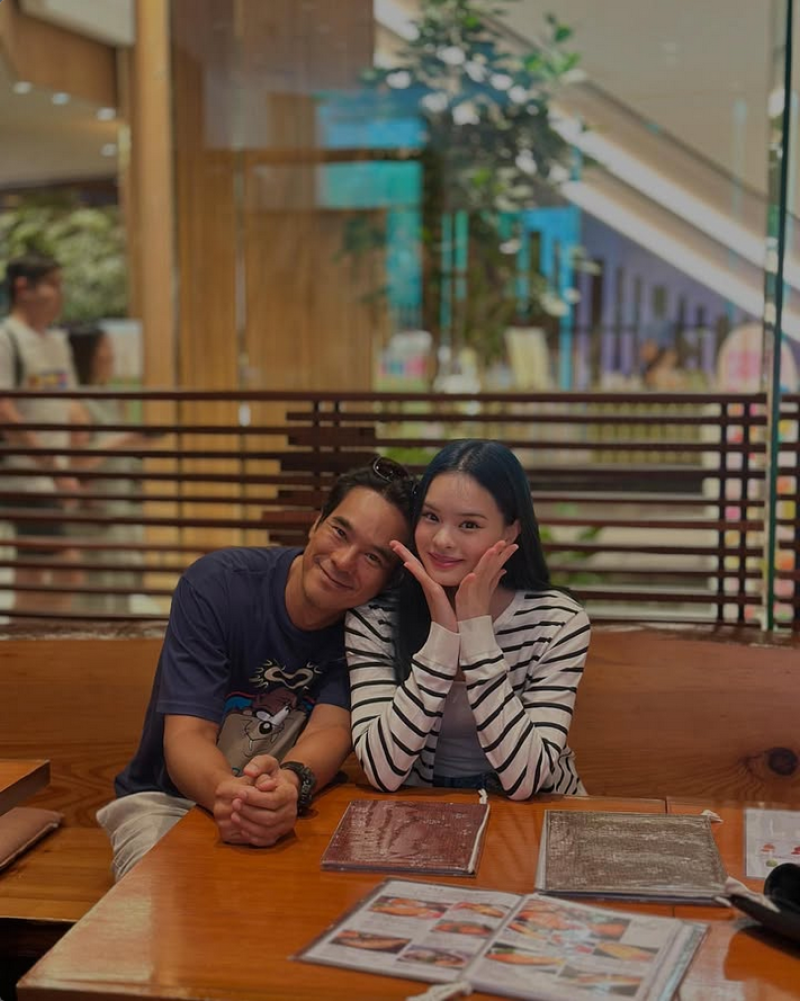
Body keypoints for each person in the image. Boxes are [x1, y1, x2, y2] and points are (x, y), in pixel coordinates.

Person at [97, 458, 416, 880]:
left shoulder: (369, 626)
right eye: (340, 532)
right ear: (316, 523)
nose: (343, 561)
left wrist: (289, 786)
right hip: (170, 800)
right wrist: (231, 796)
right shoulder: (219, 586)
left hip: (289, 805)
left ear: (388, 580)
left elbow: (330, 730)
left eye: (372, 557)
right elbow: (187, 736)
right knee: (166, 897)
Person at [346, 439, 590, 799]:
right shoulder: (376, 617)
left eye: (469, 525)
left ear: (510, 531)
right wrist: (442, 638)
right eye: (431, 517)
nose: (442, 540)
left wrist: (476, 633)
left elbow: (525, 779)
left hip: (537, 812)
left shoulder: (558, 622)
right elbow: (382, 771)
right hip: (424, 811)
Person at [0, 254, 83, 614]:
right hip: (26, 478)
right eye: (52, 284)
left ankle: (25, 637)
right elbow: (5, 410)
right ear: (23, 288)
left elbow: (70, 400)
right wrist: (53, 467)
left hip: (56, 475)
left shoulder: (57, 342)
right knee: (68, 569)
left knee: (32, 573)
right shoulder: (6, 338)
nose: (59, 294)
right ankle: (35, 637)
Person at [66, 325, 153, 614]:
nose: (110, 354)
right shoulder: (76, 404)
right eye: (104, 347)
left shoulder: (112, 398)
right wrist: (124, 440)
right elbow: (77, 462)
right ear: (87, 354)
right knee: (93, 601)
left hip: (118, 510)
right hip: (92, 515)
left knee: (119, 597)